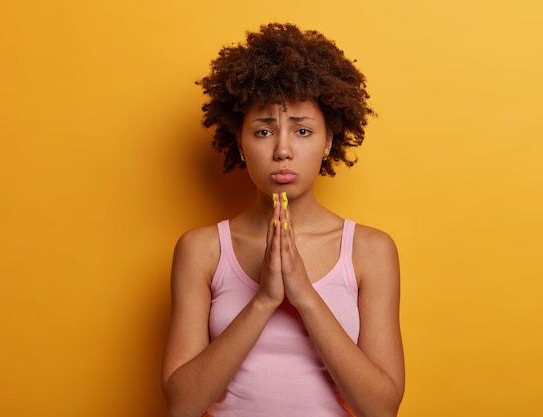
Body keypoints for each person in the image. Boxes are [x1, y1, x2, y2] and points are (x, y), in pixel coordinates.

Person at [161, 23, 404, 417]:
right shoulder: (201, 249)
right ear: (239, 141)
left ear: (328, 141)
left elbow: (382, 409)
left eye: (303, 130)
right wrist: (265, 300)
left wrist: (304, 296)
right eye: (263, 131)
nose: (283, 150)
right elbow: (181, 405)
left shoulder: (370, 251)